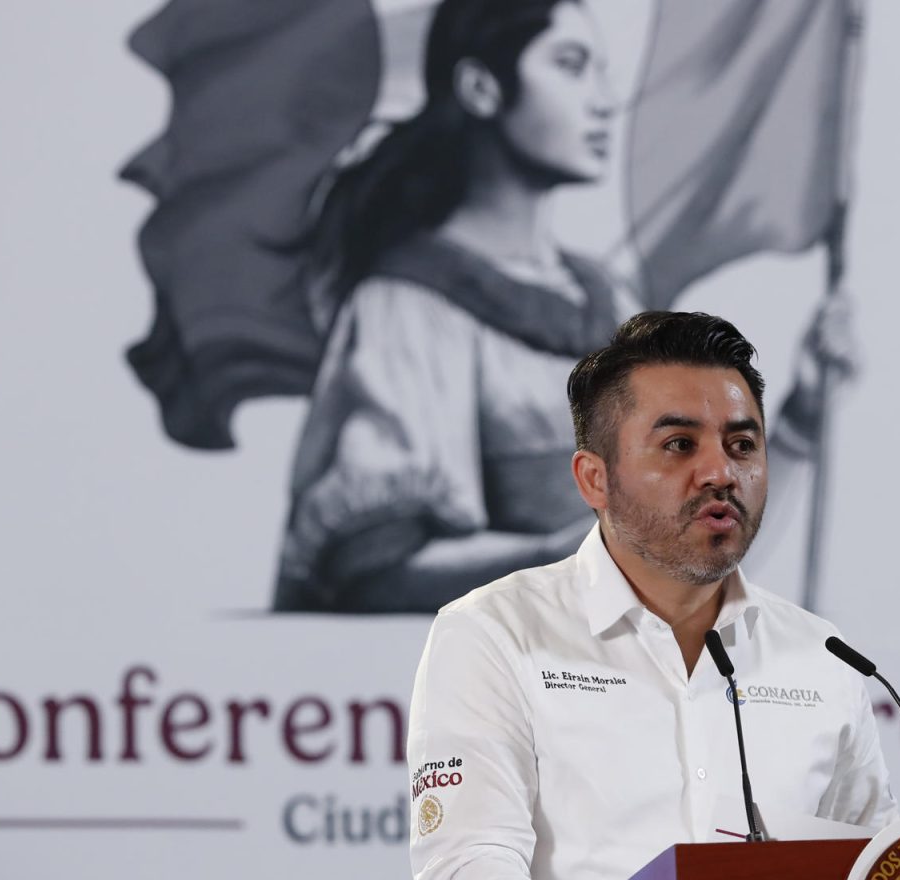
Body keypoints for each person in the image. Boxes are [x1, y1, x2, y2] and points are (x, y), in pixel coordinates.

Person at [407, 311, 898, 880]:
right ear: (593, 478)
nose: (720, 472)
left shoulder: (823, 657)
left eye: (742, 444)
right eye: (679, 445)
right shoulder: (495, 633)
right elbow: (469, 876)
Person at [272, 0, 853, 613]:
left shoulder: (612, 302)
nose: (603, 101)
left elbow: (695, 571)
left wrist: (797, 422)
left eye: (600, 72)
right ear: (481, 87)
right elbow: (377, 574)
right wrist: (593, 560)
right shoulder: (408, 308)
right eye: (571, 65)